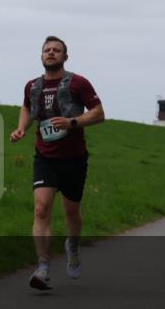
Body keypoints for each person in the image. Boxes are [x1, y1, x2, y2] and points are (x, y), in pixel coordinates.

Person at [10, 36, 105, 290]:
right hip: (45, 158)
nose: (51, 53)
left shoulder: (78, 83)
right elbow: (27, 107)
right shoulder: (32, 86)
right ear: (41, 56)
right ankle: (42, 267)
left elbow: (98, 113)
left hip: (74, 158)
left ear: (65, 56)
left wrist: (72, 122)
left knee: (72, 212)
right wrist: (21, 129)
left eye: (56, 50)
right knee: (41, 209)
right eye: (47, 50)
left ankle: (72, 246)